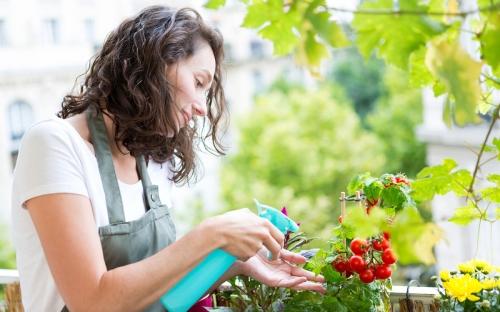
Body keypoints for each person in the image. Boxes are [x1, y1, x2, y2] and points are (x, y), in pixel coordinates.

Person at [10, 5, 324, 312]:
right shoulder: (54, 144)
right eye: (199, 83)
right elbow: (92, 301)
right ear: (157, 64)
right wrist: (209, 236)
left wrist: (235, 262)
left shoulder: (153, 159)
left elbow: (160, 292)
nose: (202, 106)